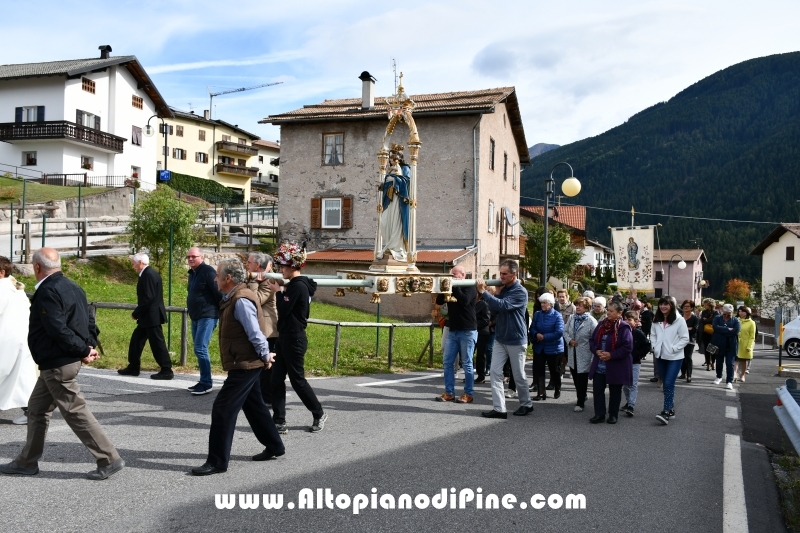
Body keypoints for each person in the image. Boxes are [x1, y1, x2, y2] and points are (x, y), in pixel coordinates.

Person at [0, 248, 124, 480]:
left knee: (75, 411)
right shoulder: (73, 286)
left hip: (58, 363)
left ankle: (109, 458)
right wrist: (87, 346)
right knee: (36, 410)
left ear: (37, 267)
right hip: (55, 362)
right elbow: (89, 320)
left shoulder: (48, 291)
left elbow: (57, 329)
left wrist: (83, 349)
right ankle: (27, 462)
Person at [191, 258, 284, 476]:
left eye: (217, 275)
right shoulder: (233, 297)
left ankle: (217, 461)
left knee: (222, 409)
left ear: (228, 278)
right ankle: (275, 446)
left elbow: (255, 332)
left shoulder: (241, 299)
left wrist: (265, 355)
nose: (215, 278)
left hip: (245, 364)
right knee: (255, 407)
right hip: (243, 361)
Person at [267, 242, 327, 433]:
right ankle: (279, 420)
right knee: (276, 379)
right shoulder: (294, 285)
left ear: (293, 266)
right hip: (285, 337)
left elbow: (284, 310)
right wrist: (283, 290)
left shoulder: (299, 286)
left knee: (297, 380)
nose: (280, 270)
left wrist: (278, 292)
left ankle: (318, 413)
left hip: (295, 339)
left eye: (283, 266)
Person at [476, 259, 533, 418]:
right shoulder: (504, 289)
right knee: (494, 372)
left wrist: (484, 292)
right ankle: (499, 409)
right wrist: (495, 293)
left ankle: (526, 404)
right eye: (500, 273)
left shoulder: (520, 291)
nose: (501, 277)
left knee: (518, 374)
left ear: (514, 274)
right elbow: (494, 310)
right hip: (501, 338)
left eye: (504, 274)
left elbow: (503, 306)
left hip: (516, 338)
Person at [118, 253, 173, 380]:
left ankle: (166, 369)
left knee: (157, 344)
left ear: (141, 262)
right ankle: (133, 367)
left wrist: (136, 313)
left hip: (151, 316)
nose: (133, 266)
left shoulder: (148, 275)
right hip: (148, 317)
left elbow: (148, 298)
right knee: (136, 341)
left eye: (134, 264)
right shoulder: (148, 274)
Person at [0, 255, 37, 425]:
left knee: (14, 378)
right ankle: (31, 410)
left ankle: (31, 411)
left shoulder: (2, 290)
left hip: (7, 340)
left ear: (1, 272)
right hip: (21, 338)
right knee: (21, 378)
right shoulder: (16, 288)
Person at [435, 266, 477, 403]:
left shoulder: (470, 286)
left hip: (467, 330)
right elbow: (439, 301)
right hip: (453, 330)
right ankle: (449, 392)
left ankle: (468, 393)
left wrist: (455, 286)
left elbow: (464, 301)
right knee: (447, 362)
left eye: (454, 274)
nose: (451, 276)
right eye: (450, 275)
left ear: (463, 275)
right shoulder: (450, 287)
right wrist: (444, 287)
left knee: (467, 363)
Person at [588, 301, 633, 424]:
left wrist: (611, 355)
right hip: (599, 363)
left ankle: (613, 415)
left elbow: (627, 347)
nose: (608, 313)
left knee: (615, 391)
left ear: (620, 313)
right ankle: (599, 414)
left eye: (611, 311)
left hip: (615, 365)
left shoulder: (623, 327)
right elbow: (592, 340)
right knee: (597, 390)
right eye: (608, 310)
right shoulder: (602, 324)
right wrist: (596, 350)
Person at [186, 247, 223, 395]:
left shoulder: (208, 272)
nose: (190, 259)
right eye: (188, 257)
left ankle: (207, 383)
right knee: (199, 348)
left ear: (201, 257)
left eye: (193, 256)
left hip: (208, 315)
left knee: (200, 348)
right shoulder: (192, 274)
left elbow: (218, 293)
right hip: (196, 316)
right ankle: (203, 380)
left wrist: (221, 312)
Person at [246, 252, 279, 406]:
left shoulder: (269, 278)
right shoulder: (255, 276)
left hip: (267, 329)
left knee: (267, 366)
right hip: (258, 328)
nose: (246, 264)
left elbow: (255, 300)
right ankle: (257, 395)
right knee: (257, 363)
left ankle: (268, 399)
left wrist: (252, 282)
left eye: (249, 262)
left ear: (257, 265)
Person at [651, 296, 690, 424]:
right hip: (660, 356)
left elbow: (685, 338)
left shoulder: (679, 320)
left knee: (668, 383)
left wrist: (674, 348)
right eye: (661, 304)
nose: (663, 307)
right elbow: (653, 335)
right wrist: (655, 346)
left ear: (672, 306)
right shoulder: (657, 319)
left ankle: (666, 411)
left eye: (666, 304)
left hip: (675, 357)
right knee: (667, 385)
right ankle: (671, 409)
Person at [563, 296, 597, 412]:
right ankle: (582, 395)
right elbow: (565, 331)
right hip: (572, 352)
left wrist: (593, 352)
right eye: (576, 305)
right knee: (575, 377)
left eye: (580, 305)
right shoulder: (572, 318)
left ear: (586, 307)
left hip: (585, 354)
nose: (577, 307)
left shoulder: (591, 321)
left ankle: (580, 402)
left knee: (582, 379)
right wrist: (569, 340)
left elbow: (595, 338)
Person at [378, 144, 411, 261]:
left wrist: (396, 178)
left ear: (399, 158)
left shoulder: (405, 168)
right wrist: (384, 185)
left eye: (393, 158)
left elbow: (407, 182)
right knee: (385, 222)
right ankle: (388, 246)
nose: (391, 160)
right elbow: (387, 182)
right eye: (390, 158)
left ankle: (396, 247)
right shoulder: (389, 170)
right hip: (389, 200)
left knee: (396, 222)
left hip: (398, 201)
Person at [530, 293, 565, 401]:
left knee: (554, 370)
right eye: (541, 303)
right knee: (539, 370)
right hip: (540, 347)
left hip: (554, 347)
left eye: (544, 303)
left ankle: (557, 388)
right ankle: (541, 393)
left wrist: (544, 337)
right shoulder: (537, 314)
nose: (542, 305)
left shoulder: (557, 316)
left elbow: (559, 332)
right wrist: (536, 334)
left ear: (551, 304)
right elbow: (532, 328)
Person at [621, 311, 650, 417]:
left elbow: (647, 345)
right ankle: (628, 401)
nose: (627, 321)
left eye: (629, 319)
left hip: (635, 362)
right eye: (625, 319)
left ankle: (631, 406)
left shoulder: (638, 333)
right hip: (623, 362)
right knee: (625, 385)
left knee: (633, 384)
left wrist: (638, 354)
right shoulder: (621, 331)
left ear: (636, 321)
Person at [711, 303, 740, 390]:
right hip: (717, 343)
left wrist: (722, 329)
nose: (726, 316)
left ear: (732, 312)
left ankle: (729, 381)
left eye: (729, 314)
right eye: (725, 314)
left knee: (730, 364)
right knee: (718, 362)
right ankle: (719, 377)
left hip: (731, 345)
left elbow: (735, 331)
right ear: (722, 312)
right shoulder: (717, 318)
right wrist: (727, 329)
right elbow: (715, 327)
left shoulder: (736, 320)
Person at [557, 289, 575, 378]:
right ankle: (561, 369)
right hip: (558, 334)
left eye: (563, 296)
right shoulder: (555, 307)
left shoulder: (572, 308)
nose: (561, 298)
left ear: (567, 297)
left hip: (568, 334)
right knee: (560, 353)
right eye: (559, 297)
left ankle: (570, 369)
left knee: (568, 353)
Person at [679, 300, 699, 382]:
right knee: (681, 357)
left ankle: (689, 375)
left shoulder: (695, 318)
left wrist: (685, 329)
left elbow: (694, 329)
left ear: (691, 308)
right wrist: (688, 328)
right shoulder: (679, 317)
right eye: (684, 306)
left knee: (688, 357)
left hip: (690, 340)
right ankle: (683, 373)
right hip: (679, 340)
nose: (685, 308)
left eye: (687, 306)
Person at [735, 306, 756, 382]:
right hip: (736, 343)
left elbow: (752, 336)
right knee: (735, 359)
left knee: (744, 360)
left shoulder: (751, 323)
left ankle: (742, 375)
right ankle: (735, 374)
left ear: (747, 313)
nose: (740, 313)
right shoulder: (736, 320)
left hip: (745, 344)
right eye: (739, 311)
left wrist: (749, 346)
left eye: (742, 311)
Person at [474, 290, 491, 384]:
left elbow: (486, 320)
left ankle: (481, 376)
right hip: (473, 332)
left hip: (482, 332)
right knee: (470, 353)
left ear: (479, 295)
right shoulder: (471, 303)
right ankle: (473, 374)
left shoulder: (484, 305)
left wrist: (474, 324)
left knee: (481, 355)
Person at [699, 298, 718, 371]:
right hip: (705, 332)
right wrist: (706, 320)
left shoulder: (716, 312)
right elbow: (701, 320)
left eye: (706, 304)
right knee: (706, 349)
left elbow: (714, 321)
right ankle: (708, 364)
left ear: (710, 305)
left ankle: (713, 362)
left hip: (713, 333)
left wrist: (706, 320)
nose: (704, 305)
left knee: (712, 348)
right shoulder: (703, 312)